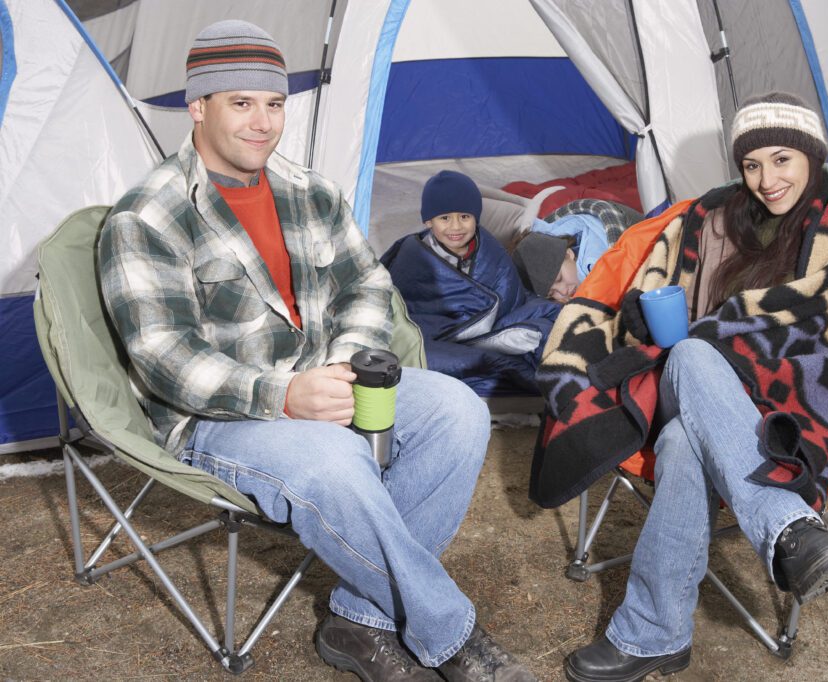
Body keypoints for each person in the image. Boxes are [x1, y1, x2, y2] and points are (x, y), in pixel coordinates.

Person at [98, 20, 534, 682]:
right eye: (241, 103)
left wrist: (348, 367)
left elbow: (367, 286)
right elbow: (164, 357)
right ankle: (452, 633)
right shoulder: (146, 217)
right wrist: (281, 395)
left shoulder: (310, 192)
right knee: (332, 459)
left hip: (328, 379)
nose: (262, 123)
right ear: (197, 107)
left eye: (274, 104)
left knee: (458, 409)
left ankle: (361, 621)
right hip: (222, 417)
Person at [528, 93, 828, 682]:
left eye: (782, 161)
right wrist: (652, 319)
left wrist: (716, 337)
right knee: (695, 355)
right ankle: (788, 527)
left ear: (811, 159)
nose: (767, 180)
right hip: (690, 373)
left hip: (791, 395)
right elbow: (653, 289)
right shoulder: (713, 218)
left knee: (681, 447)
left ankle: (652, 636)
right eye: (752, 165)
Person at [381, 170, 561, 397]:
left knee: (552, 322)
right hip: (435, 337)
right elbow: (405, 313)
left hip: (494, 325)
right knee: (420, 360)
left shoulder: (490, 250)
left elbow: (512, 295)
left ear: (476, 218)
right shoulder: (412, 256)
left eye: (464, 217)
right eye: (444, 218)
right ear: (428, 221)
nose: (455, 227)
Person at [511, 198, 638, 303]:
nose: (563, 292)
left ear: (569, 254)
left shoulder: (595, 256)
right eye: (551, 293)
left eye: (559, 278)